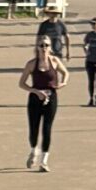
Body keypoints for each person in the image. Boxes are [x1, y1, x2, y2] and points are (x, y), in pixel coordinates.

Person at [21, 36, 63, 171]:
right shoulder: (32, 64)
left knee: (47, 129)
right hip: (35, 99)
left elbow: (66, 73)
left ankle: (44, 161)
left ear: (50, 48)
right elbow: (22, 83)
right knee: (34, 129)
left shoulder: (55, 61)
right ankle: (34, 151)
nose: (44, 48)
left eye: (46, 45)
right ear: (37, 48)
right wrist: (35, 91)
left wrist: (63, 83)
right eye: (41, 45)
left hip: (51, 98)